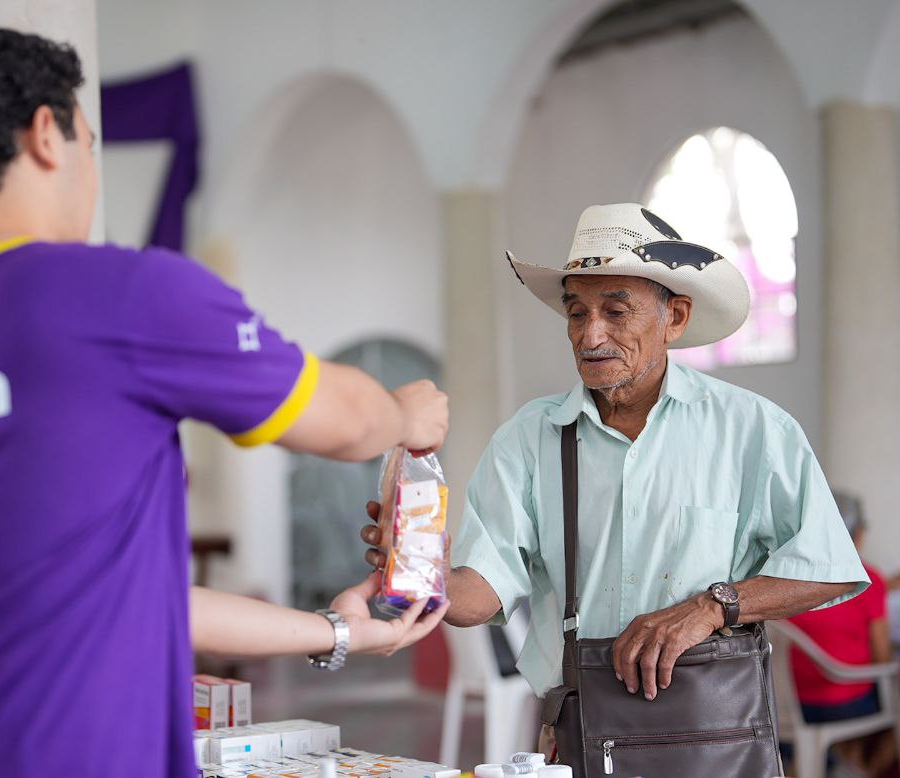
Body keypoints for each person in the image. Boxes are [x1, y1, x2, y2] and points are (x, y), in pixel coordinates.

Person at [0, 27, 449, 777]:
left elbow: (136, 596)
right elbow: (347, 421)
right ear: (46, 135)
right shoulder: (110, 292)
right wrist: (406, 414)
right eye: (89, 143)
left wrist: (335, 632)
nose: (91, 168)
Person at [362, 203, 868, 747]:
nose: (589, 335)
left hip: (715, 731)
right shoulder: (529, 439)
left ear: (674, 318)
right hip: (582, 728)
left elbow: (830, 567)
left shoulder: (752, 429)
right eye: (576, 312)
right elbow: (485, 591)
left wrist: (710, 606)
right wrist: (424, 575)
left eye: (616, 311)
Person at [788, 492, 896, 778]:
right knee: (891, 692)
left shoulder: (783, 579)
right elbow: (881, 656)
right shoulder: (866, 578)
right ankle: (865, 766)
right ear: (859, 532)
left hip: (786, 704)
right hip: (842, 706)